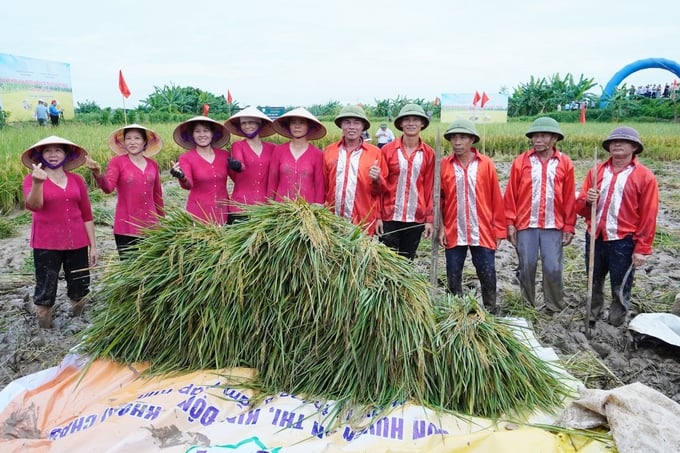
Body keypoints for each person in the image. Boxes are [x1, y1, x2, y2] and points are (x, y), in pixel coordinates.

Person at [575, 126, 659, 327]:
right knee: (593, 279)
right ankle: (592, 314)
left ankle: (616, 320)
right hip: (595, 236)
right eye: (613, 141)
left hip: (623, 240)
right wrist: (587, 200)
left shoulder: (645, 177)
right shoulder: (596, 172)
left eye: (623, 141)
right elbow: (580, 208)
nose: (617, 144)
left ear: (634, 147)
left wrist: (642, 249)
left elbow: (649, 215)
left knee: (620, 283)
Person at [21, 136, 97, 328]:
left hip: (77, 242)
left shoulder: (77, 180)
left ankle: (78, 324)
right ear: (40, 155)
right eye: (47, 151)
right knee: (45, 293)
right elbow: (34, 206)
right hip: (46, 244)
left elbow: (87, 214)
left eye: (58, 150)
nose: (53, 155)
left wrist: (93, 247)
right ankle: (45, 330)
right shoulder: (31, 179)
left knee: (79, 288)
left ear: (66, 154)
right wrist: (38, 183)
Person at [503, 117, 576, 313]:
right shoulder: (521, 162)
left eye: (543, 136)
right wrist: (510, 222)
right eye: (535, 136)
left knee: (553, 267)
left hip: (553, 225)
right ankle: (527, 304)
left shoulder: (564, 163)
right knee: (526, 265)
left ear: (554, 139)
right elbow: (511, 194)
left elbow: (569, 197)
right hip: (526, 224)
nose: (538, 140)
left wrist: (569, 226)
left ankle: (554, 305)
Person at [438, 119, 505, 312]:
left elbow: (495, 198)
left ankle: (490, 310)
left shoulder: (486, 165)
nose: (457, 142)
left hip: (482, 229)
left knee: (486, 272)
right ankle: (456, 311)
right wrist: (441, 227)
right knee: (453, 272)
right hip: (453, 228)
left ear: (472, 140)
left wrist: (499, 229)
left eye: (462, 137)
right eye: (454, 138)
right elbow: (440, 199)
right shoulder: (444, 165)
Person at [85, 124, 164, 256]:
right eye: (128, 138)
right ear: (124, 142)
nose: (132, 142)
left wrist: (163, 222)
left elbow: (157, 196)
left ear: (145, 142)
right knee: (129, 269)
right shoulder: (117, 162)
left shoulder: (152, 165)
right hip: (126, 226)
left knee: (151, 270)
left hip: (151, 226)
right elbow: (108, 188)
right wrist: (98, 174)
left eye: (137, 138)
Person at [375, 104, 434, 260]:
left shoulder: (429, 154)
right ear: (400, 124)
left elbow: (429, 188)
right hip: (390, 216)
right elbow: (380, 186)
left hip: (415, 217)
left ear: (422, 124)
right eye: (407, 120)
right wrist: (378, 216)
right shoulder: (387, 151)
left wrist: (429, 219)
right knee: (387, 263)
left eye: (416, 120)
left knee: (407, 262)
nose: (411, 123)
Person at [323, 105, 387, 236]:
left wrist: (377, 179)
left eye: (356, 122)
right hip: (331, 221)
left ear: (363, 126)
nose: (351, 127)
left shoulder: (375, 153)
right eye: (347, 122)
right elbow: (324, 185)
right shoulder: (330, 151)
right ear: (341, 125)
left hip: (362, 222)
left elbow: (381, 191)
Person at [171, 116, 231, 224]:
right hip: (199, 213)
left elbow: (239, 178)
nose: (202, 135)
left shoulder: (224, 155)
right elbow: (188, 185)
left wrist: (239, 166)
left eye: (206, 131)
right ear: (192, 135)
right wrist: (182, 177)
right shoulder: (186, 158)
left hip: (223, 211)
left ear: (212, 134)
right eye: (197, 131)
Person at [223, 106, 276, 223]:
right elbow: (240, 164)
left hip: (265, 206)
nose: (247, 126)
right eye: (244, 123)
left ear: (259, 124)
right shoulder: (238, 146)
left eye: (251, 122)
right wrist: (236, 165)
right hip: (241, 205)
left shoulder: (272, 148)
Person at [268, 107, 326, 204]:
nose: (297, 126)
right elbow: (272, 180)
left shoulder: (317, 154)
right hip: (280, 208)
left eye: (302, 123)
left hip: (307, 209)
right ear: (288, 126)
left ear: (309, 126)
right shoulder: (279, 150)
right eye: (293, 122)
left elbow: (319, 185)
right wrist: (270, 203)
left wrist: (317, 208)